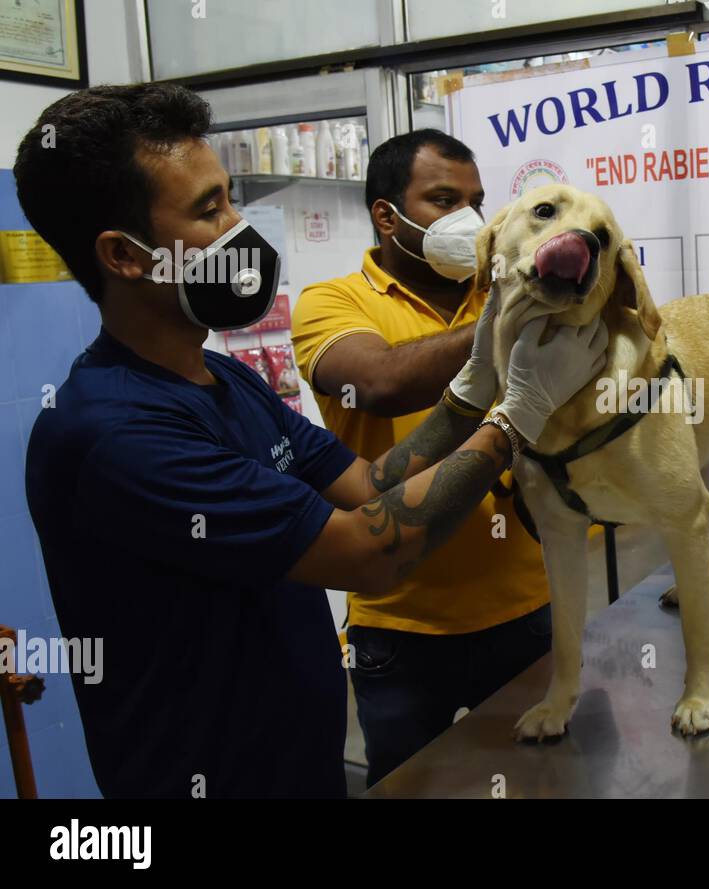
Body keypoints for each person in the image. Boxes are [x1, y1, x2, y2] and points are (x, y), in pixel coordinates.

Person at [14, 84, 605, 798]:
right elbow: (369, 550)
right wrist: (516, 415)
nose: (240, 227)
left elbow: (371, 483)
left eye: (230, 198)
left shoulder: (228, 381)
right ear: (125, 255)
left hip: (301, 769)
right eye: (209, 210)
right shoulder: (114, 432)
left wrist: (480, 373)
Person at [291, 130, 554, 788]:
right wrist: (512, 313)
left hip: (525, 608)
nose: (470, 219)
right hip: (403, 628)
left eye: (477, 200)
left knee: (542, 781)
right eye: (443, 200)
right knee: (415, 786)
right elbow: (379, 383)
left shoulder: (491, 290)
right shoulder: (333, 302)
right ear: (387, 215)